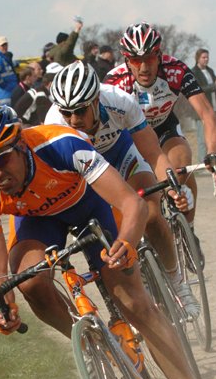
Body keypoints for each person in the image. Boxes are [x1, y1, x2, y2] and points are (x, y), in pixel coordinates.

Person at [0, 103, 216, 379]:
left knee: (135, 303)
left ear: (21, 146)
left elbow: (133, 205)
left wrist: (127, 243)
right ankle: (92, 346)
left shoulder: (62, 145)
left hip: (91, 206)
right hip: (38, 222)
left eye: (1, 160)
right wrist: (3, 307)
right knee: (28, 282)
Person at [45, 61, 200, 318]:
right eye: (67, 112)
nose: (73, 120)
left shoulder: (120, 101)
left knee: (151, 213)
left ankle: (178, 283)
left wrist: (173, 189)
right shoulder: (54, 122)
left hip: (123, 155)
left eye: (80, 110)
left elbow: (153, 153)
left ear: (96, 100)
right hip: (87, 172)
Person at [104, 23, 216, 259]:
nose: (144, 66)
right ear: (126, 60)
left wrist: (214, 153)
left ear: (159, 55)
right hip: (129, 137)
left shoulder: (176, 70)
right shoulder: (114, 82)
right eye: (135, 59)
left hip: (163, 127)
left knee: (183, 162)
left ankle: (188, 232)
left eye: (150, 57)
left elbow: (207, 114)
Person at [0, 37, 19, 102]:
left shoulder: (5, 58)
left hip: (12, 93)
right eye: (2, 45)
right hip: (5, 95)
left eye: (6, 44)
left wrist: (16, 64)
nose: (5, 47)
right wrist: (2, 84)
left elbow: (8, 66)